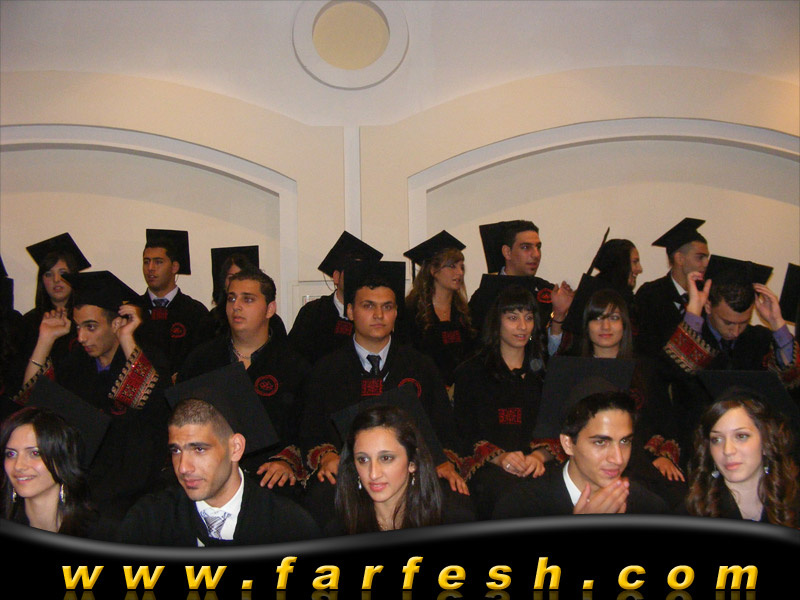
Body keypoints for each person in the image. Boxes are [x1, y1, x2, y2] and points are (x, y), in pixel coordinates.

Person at [299, 260, 470, 527]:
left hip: (412, 471)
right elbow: (310, 430)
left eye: (387, 307)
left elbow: (445, 428)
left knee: (458, 506)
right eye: (368, 306)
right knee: (321, 505)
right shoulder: (327, 369)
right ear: (350, 311)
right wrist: (327, 456)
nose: (379, 315)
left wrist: (443, 462)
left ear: (396, 313)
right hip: (349, 472)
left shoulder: (420, 366)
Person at [15, 270, 169, 521]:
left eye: (91, 327)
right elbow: (33, 402)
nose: (81, 337)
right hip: (83, 485)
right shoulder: (77, 363)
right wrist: (45, 339)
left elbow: (146, 400)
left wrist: (126, 337)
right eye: (78, 327)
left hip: (135, 492)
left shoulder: (148, 358)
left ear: (116, 323)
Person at [118, 393, 320, 546]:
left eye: (199, 449)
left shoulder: (288, 527)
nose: (183, 467)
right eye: (176, 450)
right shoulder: (149, 521)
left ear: (235, 448)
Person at [179, 268, 310, 494]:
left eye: (248, 299)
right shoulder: (201, 360)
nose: (236, 306)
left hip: (270, 474)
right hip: (207, 471)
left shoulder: (294, 365)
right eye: (231, 298)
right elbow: (181, 420)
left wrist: (286, 462)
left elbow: (307, 427)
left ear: (270, 309)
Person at [579, 289, 686, 506]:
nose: (605, 326)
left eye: (614, 318)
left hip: (642, 461)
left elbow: (664, 418)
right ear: (587, 326)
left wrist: (663, 456)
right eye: (597, 318)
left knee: (677, 496)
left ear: (624, 325)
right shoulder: (573, 370)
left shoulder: (645, 369)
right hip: (588, 464)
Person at [452, 283, 550, 519]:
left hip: (536, 464)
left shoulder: (546, 373)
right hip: (488, 468)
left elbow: (558, 428)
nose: (522, 326)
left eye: (528, 318)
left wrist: (539, 457)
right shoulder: (471, 373)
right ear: (497, 322)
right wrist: (500, 457)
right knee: (511, 496)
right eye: (513, 318)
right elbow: (464, 432)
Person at [492, 390, 668, 518]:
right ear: (568, 444)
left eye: (624, 442)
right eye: (600, 442)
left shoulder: (648, 507)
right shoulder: (522, 507)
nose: (618, 458)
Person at [684, 389, 799, 527]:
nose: (728, 450)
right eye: (717, 439)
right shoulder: (692, 516)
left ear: (766, 440)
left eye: (741, 436)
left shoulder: (793, 504)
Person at [329, 405, 443, 534]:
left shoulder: (448, 522)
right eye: (363, 460)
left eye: (386, 458)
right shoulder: (338, 532)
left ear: (412, 462)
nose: (373, 474)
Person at [468, 220, 574, 354]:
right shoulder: (485, 295)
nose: (536, 254)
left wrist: (559, 314)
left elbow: (552, 353)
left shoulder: (547, 292)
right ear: (507, 252)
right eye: (525, 247)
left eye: (538, 247)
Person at [288, 231, 383, 365]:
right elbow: (294, 359)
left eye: (363, 272)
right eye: (352, 271)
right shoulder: (313, 313)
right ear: (336, 277)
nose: (358, 278)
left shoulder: (379, 315)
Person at [1, 407, 96, 536]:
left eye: (35, 453)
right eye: (11, 454)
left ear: (61, 459)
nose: (18, 466)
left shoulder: (101, 534)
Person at [401, 230, 477, 387]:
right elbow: (409, 358)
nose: (460, 273)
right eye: (452, 266)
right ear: (433, 270)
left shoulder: (464, 312)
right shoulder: (412, 312)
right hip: (427, 389)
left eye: (461, 267)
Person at [136, 229, 215, 380]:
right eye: (146, 261)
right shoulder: (133, 310)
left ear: (174, 267)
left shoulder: (195, 313)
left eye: (158, 262)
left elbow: (205, 362)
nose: (150, 268)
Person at [634, 217, 710, 358]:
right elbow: (644, 346)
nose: (706, 264)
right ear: (679, 258)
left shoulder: (707, 295)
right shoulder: (650, 295)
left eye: (707, 258)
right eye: (700, 257)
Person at [21, 233, 92, 367]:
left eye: (63, 273)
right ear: (42, 281)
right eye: (48, 274)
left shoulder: (88, 318)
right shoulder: (28, 322)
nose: (56, 280)